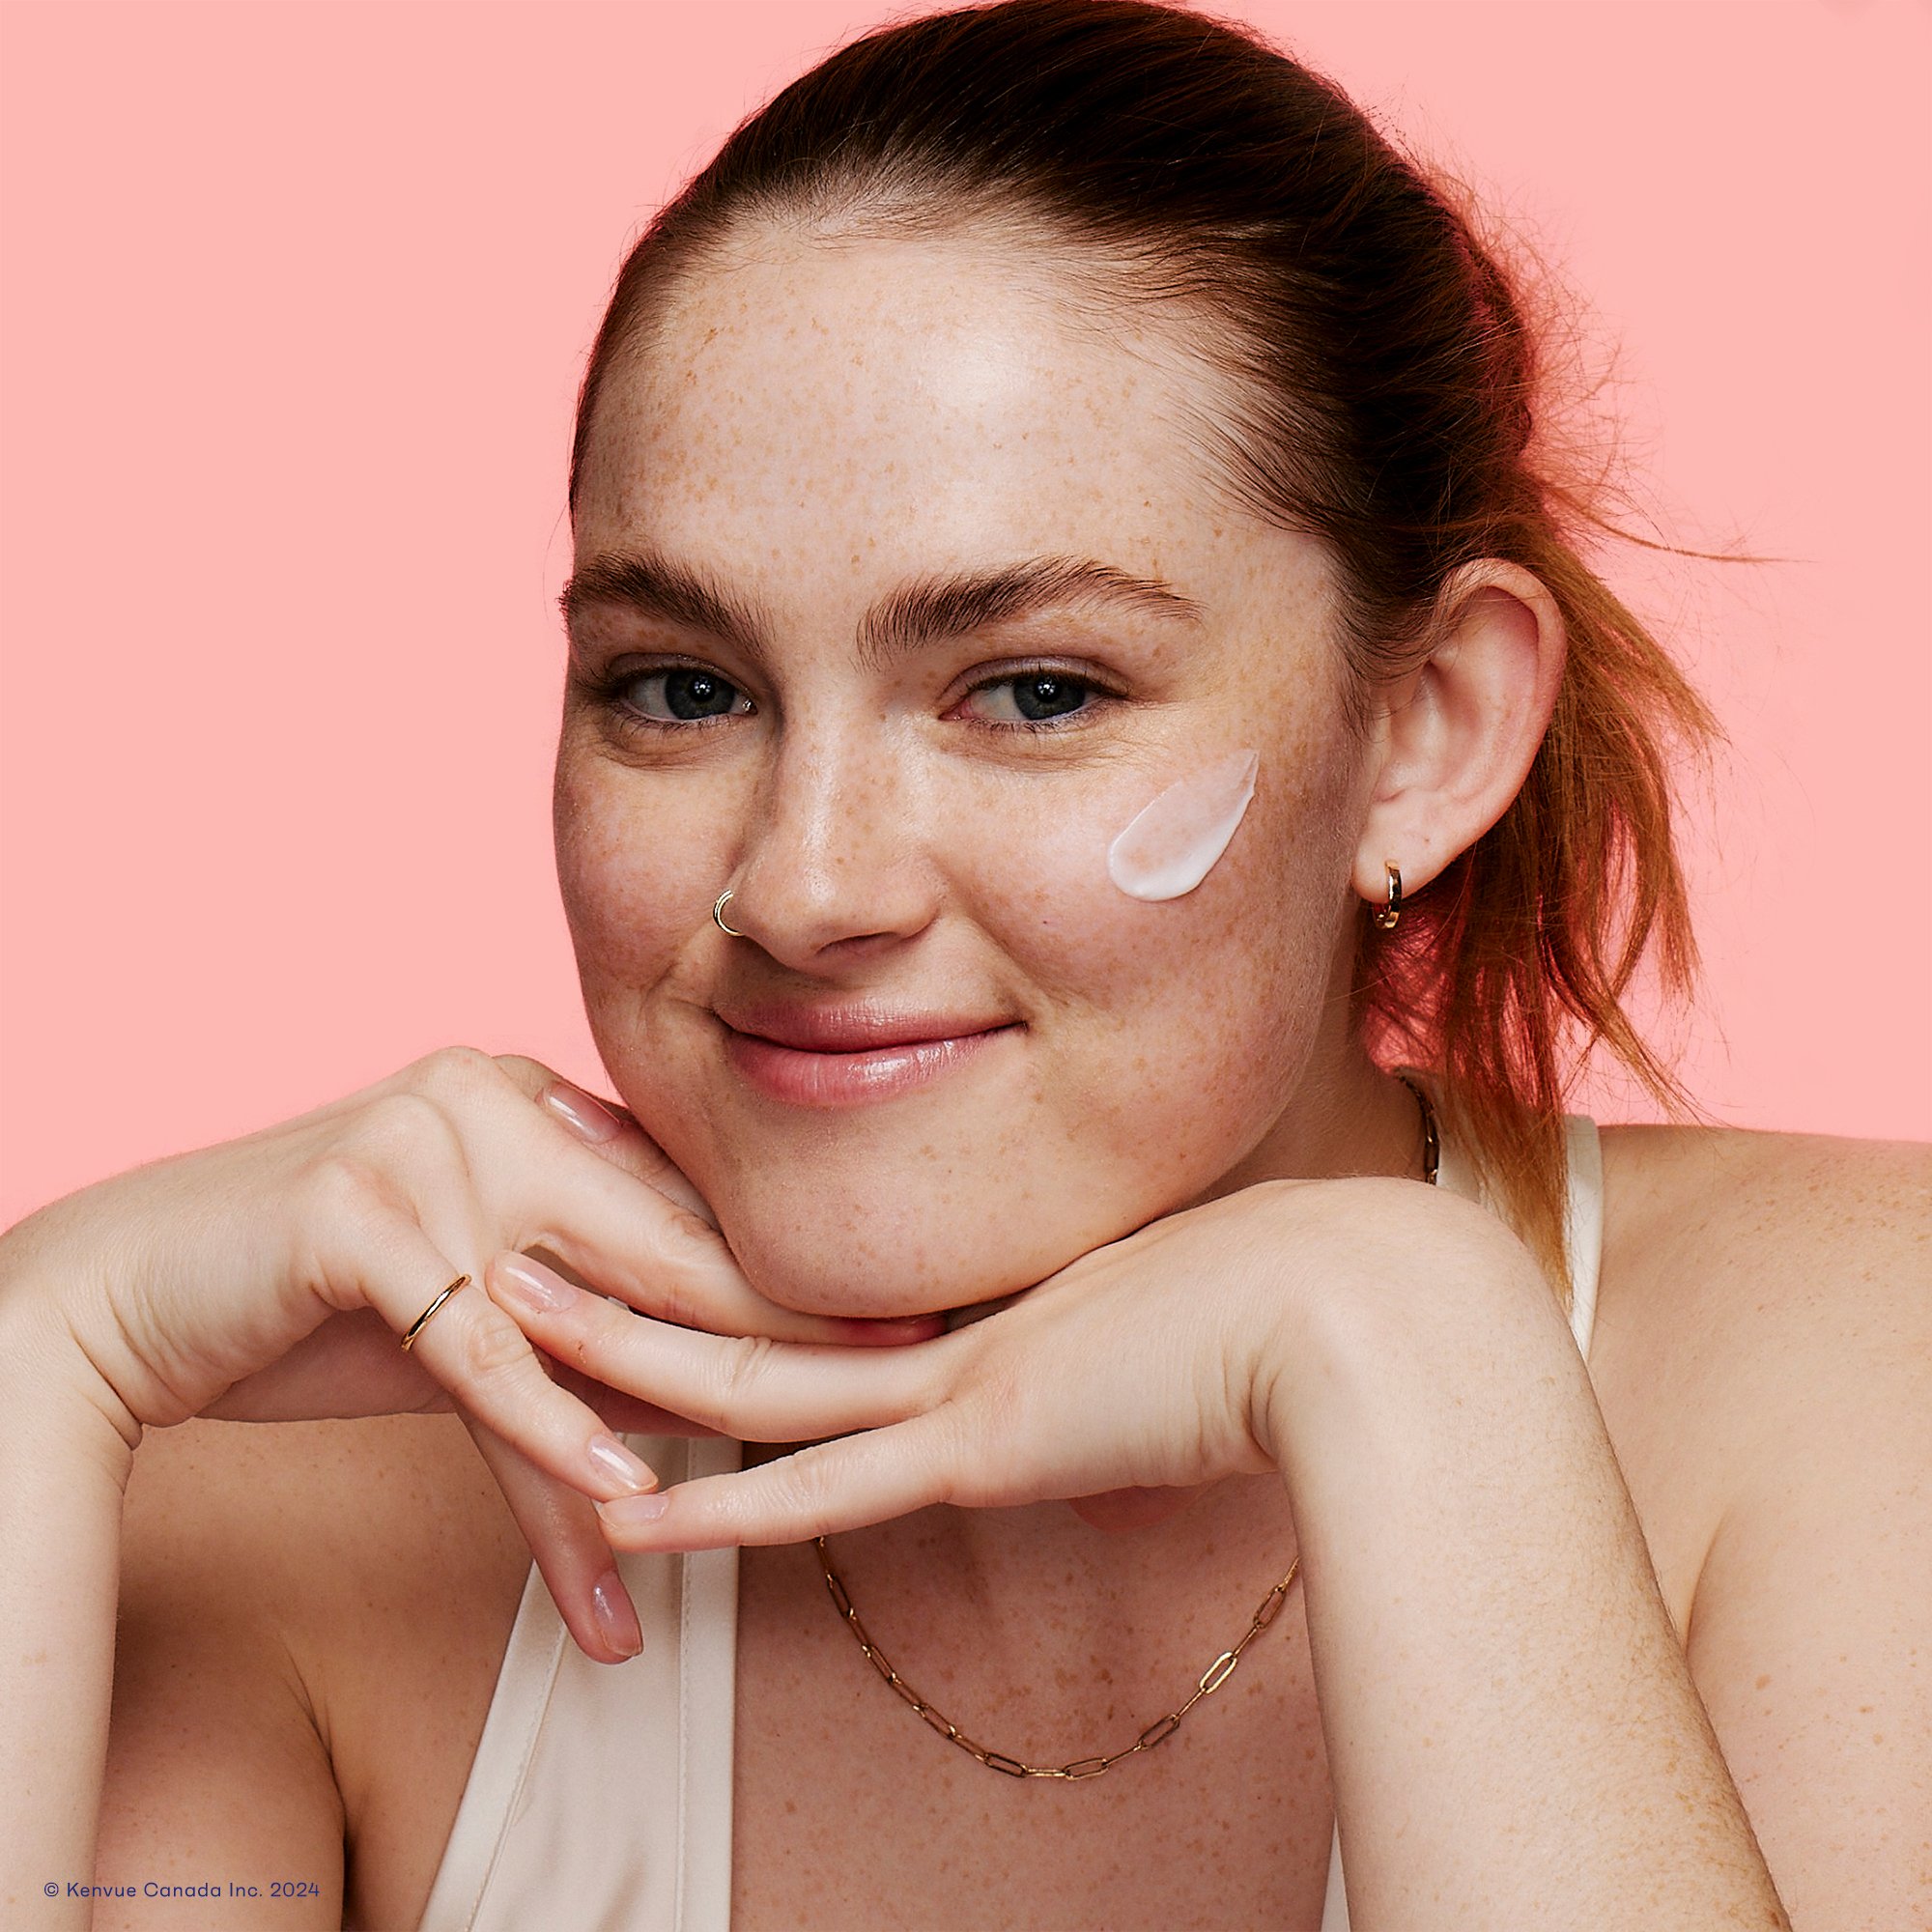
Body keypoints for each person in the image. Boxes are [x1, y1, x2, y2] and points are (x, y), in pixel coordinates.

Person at [2, 1, 1923, 1926]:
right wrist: (46, 1343)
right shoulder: (297, 1513)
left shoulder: (1859, 1377)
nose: (805, 882)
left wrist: (1409, 1353)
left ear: (1422, 727)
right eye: (683, 689)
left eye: (1031, 689)